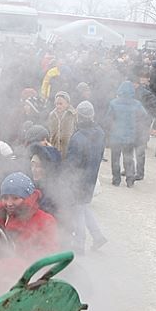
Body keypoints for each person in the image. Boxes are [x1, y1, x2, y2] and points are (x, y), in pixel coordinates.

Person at [65, 101, 108, 253]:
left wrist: (66, 179)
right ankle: (98, 236)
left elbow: (72, 163)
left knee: (77, 210)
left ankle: (79, 244)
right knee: (84, 207)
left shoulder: (78, 137)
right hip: (91, 176)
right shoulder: (100, 132)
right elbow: (101, 154)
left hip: (79, 180)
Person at [0, 172, 59, 259]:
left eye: (15, 198)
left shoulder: (45, 221)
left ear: (27, 198)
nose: (9, 203)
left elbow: (50, 254)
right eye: (5, 198)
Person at [106, 81, 148, 188]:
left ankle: (116, 179)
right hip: (130, 136)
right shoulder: (137, 104)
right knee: (128, 158)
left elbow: (108, 120)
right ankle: (130, 179)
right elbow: (144, 116)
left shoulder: (113, 103)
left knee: (115, 158)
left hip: (116, 136)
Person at [47, 90, 76, 158]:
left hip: (68, 150)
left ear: (67, 104)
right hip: (54, 150)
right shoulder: (52, 115)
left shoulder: (73, 115)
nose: (58, 106)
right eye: (57, 104)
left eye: (61, 104)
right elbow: (50, 133)